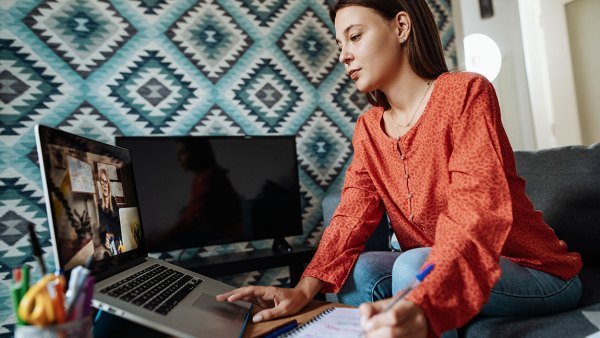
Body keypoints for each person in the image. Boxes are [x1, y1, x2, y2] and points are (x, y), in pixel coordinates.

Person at [217, 1, 583, 337]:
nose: (343, 55)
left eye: (355, 36)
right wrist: (302, 290)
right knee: (361, 271)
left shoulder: (466, 93)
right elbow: (350, 217)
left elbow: (476, 209)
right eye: (339, 44)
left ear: (402, 26)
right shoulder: (368, 129)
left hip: (536, 271)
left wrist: (425, 299)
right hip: (431, 266)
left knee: (413, 266)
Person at [97, 167, 122, 256]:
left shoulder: (115, 202)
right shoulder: (98, 208)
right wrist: (106, 244)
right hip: (114, 248)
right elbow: (102, 234)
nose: (105, 185)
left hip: (123, 242)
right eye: (102, 182)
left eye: (106, 181)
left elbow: (122, 225)